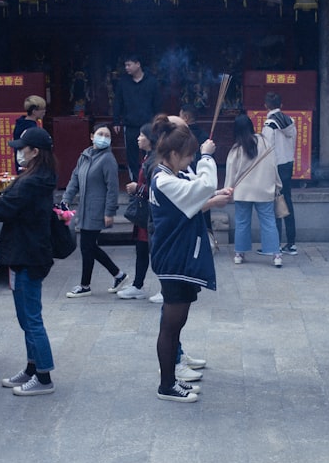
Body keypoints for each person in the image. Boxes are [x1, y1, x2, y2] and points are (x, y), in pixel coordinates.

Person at [150, 114, 232, 402]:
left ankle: (171, 380)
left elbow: (196, 197)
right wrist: (208, 158)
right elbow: (203, 186)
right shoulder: (163, 179)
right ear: (173, 154)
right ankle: (166, 385)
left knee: (177, 324)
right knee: (171, 326)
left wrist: (215, 197)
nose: (190, 162)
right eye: (188, 157)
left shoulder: (174, 174)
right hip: (173, 258)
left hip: (180, 255)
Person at [0, 128, 58, 396]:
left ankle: (43, 377)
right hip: (29, 251)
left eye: (23, 148)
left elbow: (1, 210)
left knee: (31, 319)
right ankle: (32, 368)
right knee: (26, 317)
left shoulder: (31, 181)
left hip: (28, 253)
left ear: (34, 152)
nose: (18, 152)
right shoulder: (38, 176)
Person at [62, 123, 127, 298]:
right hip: (85, 207)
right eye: (100, 134)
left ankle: (85, 285)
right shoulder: (85, 155)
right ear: (92, 136)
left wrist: (109, 212)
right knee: (89, 246)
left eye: (107, 136)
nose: (104, 138)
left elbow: (112, 188)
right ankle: (118, 275)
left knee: (87, 246)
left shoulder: (108, 159)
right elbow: (74, 179)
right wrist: (65, 200)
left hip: (98, 209)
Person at [226, 113, 282, 268]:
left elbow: (231, 171)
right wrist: (277, 184)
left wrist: (228, 190)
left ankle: (239, 253)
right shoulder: (264, 142)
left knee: (242, 222)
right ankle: (276, 255)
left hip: (243, 191)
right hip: (264, 189)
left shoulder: (237, 148)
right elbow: (273, 165)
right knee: (269, 222)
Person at [116, 123, 157, 300]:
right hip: (143, 213)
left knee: (156, 251)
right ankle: (137, 285)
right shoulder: (147, 158)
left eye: (142, 136)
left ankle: (166, 288)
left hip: (153, 213)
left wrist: (137, 188)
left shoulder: (156, 161)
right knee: (141, 249)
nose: (138, 138)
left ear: (150, 139)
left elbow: (159, 188)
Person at [113, 53, 161, 181]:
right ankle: (135, 182)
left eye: (129, 65)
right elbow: (118, 102)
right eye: (125, 65)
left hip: (149, 125)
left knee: (151, 153)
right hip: (130, 125)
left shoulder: (152, 82)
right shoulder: (123, 82)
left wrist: (158, 121)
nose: (126, 68)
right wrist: (116, 121)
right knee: (131, 156)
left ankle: (150, 180)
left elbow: (157, 103)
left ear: (138, 64)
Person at [261, 92, 299, 255]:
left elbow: (266, 149)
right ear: (281, 105)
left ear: (266, 106)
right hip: (288, 164)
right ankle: (291, 244)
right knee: (287, 203)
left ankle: (274, 243)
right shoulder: (290, 121)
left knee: (274, 204)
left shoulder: (270, 125)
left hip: (275, 167)